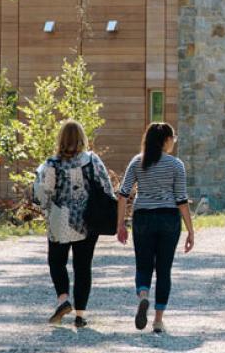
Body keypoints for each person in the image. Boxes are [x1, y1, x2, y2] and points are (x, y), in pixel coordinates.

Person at [33, 119, 114, 328]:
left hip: (60, 219)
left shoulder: (52, 164)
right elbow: (107, 188)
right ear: (82, 139)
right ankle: (80, 315)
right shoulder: (92, 161)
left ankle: (63, 299)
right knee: (83, 267)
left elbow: (42, 194)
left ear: (60, 139)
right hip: (87, 220)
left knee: (57, 262)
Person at [117, 122, 194, 334]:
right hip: (169, 219)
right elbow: (181, 200)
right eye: (173, 138)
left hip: (143, 218)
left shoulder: (137, 162)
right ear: (166, 140)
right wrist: (190, 230)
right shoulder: (176, 165)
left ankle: (143, 296)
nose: (174, 142)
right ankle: (158, 320)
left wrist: (120, 224)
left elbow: (123, 194)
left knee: (143, 266)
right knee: (163, 270)